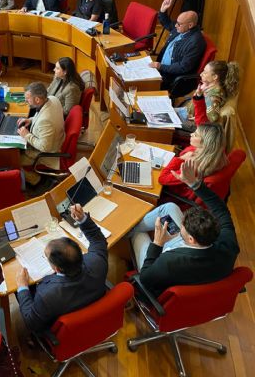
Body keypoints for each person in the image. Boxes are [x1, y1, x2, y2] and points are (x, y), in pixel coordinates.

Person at [133, 160, 240, 298]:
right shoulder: (228, 243)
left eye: (183, 227)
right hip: (202, 262)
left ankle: (127, 232)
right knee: (170, 207)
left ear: (191, 239)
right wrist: (195, 184)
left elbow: (145, 278)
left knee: (138, 233)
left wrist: (157, 244)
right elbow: (221, 209)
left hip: (167, 267)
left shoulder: (169, 261)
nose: (180, 224)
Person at [16, 204, 108, 333]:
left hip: (67, 331)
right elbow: (98, 241)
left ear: (56, 269)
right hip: (95, 312)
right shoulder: (97, 262)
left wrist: (22, 287)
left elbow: (31, 322)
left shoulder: (47, 296)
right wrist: (82, 219)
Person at [158, 123, 228, 203]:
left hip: (174, 194)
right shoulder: (214, 154)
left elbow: (162, 179)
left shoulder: (194, 166)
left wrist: (180, 159)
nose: (191, 134)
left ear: (205, 142)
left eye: (195, 135)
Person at [148, 0, 206, 91]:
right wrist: (163, 10)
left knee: (141, 86)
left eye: (179, 24)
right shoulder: (182, 28)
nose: (175, 26)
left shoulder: (195, 42)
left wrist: (160, 66)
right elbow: (168, 23)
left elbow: (183, 67)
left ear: (190, 25)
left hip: (170, 77)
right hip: (160, 67)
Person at [17, 82, 65, 185]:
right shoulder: (53, 99)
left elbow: (44, 147)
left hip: (48, 153)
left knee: (14, 162)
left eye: (28, 99)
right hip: (57, 137)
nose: (26, 101)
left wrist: (26, 135)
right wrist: (30, 120)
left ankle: (36, 180)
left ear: (37, 99)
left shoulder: (45, 121)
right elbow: (42, 115)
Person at [176, 61, 240, 128]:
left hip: (195, 125)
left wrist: (205, 97)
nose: (201, 74)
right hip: (186, 113)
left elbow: (213, 118)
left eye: (205, 72)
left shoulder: (213, 96)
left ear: (215, 77)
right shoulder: (210, 87)